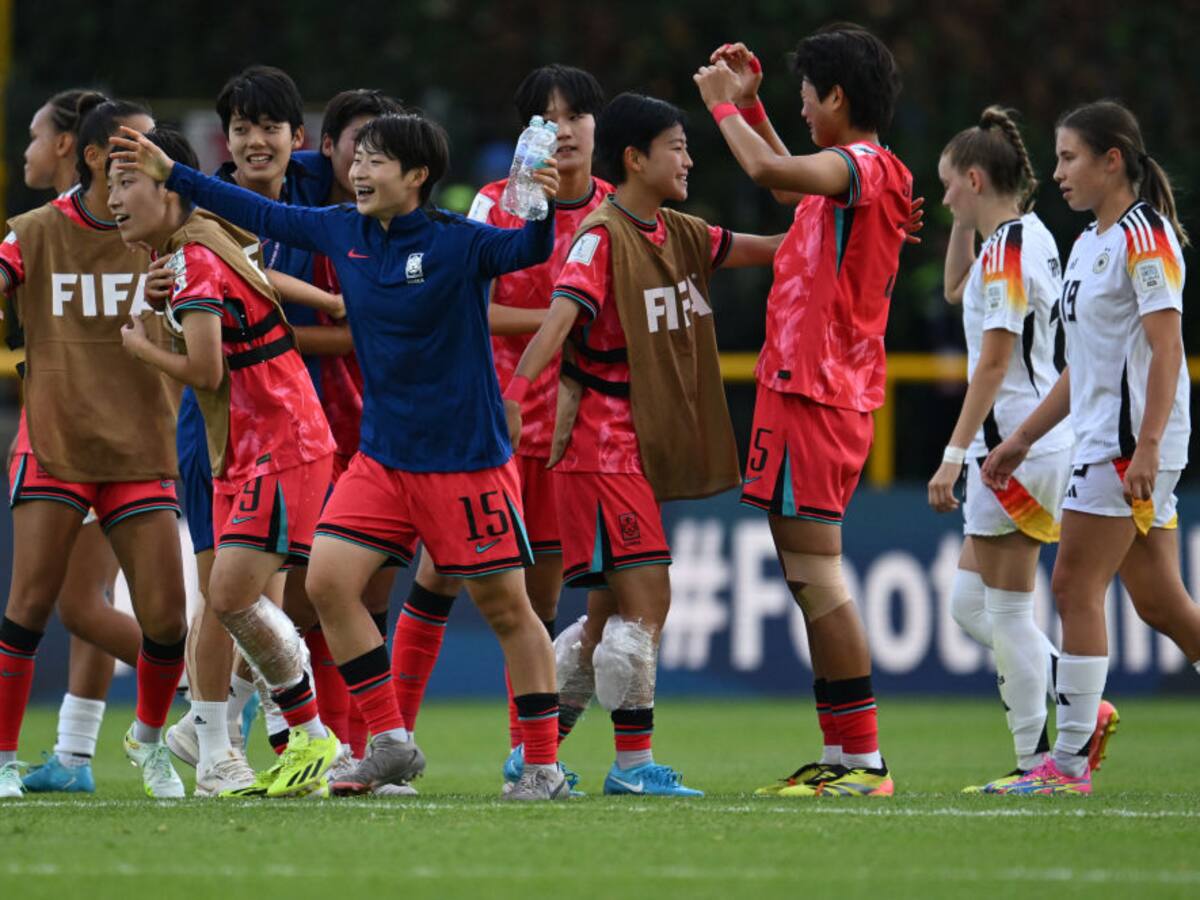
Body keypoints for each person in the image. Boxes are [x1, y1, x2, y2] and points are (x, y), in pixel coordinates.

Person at [112, 110, 569, 801]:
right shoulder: (342, 231)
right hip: (383, 460)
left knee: (507, 608)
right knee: (325, 584)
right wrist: (170, 172)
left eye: (377, 161)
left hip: (465, 458)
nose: (358, 171)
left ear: (416, 177)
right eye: (357, 160)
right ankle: (388, 742)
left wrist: (545, 204)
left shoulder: (457, 243)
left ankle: (542, 766)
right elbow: (253, 208)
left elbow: (528, 251)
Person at [505, 91, 782, 796]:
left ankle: (535, 752)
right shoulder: (601, 237)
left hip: (632, 450)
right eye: (676, 147)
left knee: (603, 621)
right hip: (598, 450)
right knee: (647, 602)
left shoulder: (678, 233)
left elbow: (768, 251)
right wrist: (512, 398)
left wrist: (848, 227)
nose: (688, 159)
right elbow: (558, 323)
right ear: (635, 159)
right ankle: (631, 766)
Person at [694, 26, 912, 797]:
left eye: (806, 98)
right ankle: (842, 751)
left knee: (818, 573)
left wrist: (724, 111)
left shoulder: (860, 166)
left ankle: (864, 759)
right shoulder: (854, 174)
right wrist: (752, 107)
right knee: (805, 572)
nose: (803, 110)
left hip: (817, 391)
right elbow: (787, 182)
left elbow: (762, 168)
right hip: (807, 388)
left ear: (837, 98)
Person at [388, 64, 611, 790]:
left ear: (597, 128)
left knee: (536, 605)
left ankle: (527, 757)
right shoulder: (493, 205)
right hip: (488, 427)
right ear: (527, 136)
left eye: (575, 114)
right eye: (545, 117)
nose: (564, 128)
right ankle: (393, 744)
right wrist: (561, 323)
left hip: (568, 435)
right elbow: (465, 305)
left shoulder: (616, 212)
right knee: (438, 578)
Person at [111, 127, 347, 798]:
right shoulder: (207, 236)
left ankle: (304, 731)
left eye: (126, 184)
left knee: (231, 597)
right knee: (240, 598)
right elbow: (254, 274)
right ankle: (273, 732)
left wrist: (142, 348)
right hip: (263, 441)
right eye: (109, 189)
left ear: (166, 187)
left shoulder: (192, 261)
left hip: (279, 441)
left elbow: (207, 370)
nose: (115, 200)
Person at [983, 100, 1200, 794]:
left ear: (1113, 160)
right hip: (1108, 442)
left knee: (1074, 585)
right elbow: (1086, 366)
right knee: (1163, 606)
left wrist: (1147, 446)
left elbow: (1168, 351)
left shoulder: (1146, 237)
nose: (1058, 173)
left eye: (1070, 157)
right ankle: (1066, 763)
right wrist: (1021, 438)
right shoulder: (1086, 244)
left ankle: (1066, 765)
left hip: (1126, 449)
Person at [927, 106, 1120, 792]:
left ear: (975, 178)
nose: (944, 195)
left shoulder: (1008, 253)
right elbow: (956, 290)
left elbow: (992, 360)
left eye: (951, 184)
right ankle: (1077, 708)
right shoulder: (1023, 237)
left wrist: (954, 453)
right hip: (1023, 445)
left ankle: (1038, 758)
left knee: (1004, 610)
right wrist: (962, 219)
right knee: (969, 607)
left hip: (1011, 447)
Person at [0, 99, 188, 801]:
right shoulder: (34, 233)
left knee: (166, 618)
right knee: (32, 606)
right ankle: (6, 760)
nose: (145, 157)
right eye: (129, 148)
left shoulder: (171, 233)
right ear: (91, 157)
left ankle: (146, 742)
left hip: (141, 446)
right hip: (55, 441)